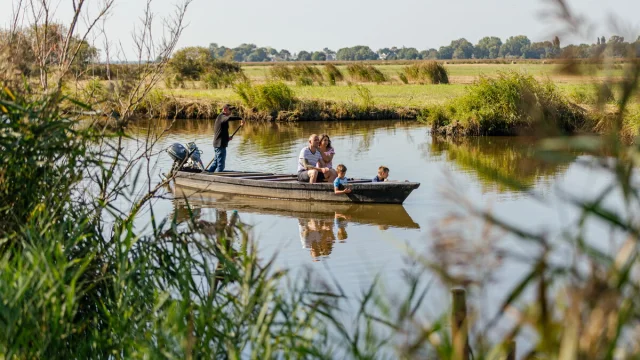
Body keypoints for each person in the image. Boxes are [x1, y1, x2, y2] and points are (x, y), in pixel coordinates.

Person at [207, 104, 244, 172]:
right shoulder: (222, 117)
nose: (230, 111)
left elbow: (222, 131)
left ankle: (208, 175)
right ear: (224, 109)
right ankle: (219, 179)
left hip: (218, 144)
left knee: (216, 163)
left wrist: (227, 138)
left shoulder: (222, 118)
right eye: (229, 109)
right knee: (221, 164)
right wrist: (240, 118)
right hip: (220, 145)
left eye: (231, 110)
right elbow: (229, 118)